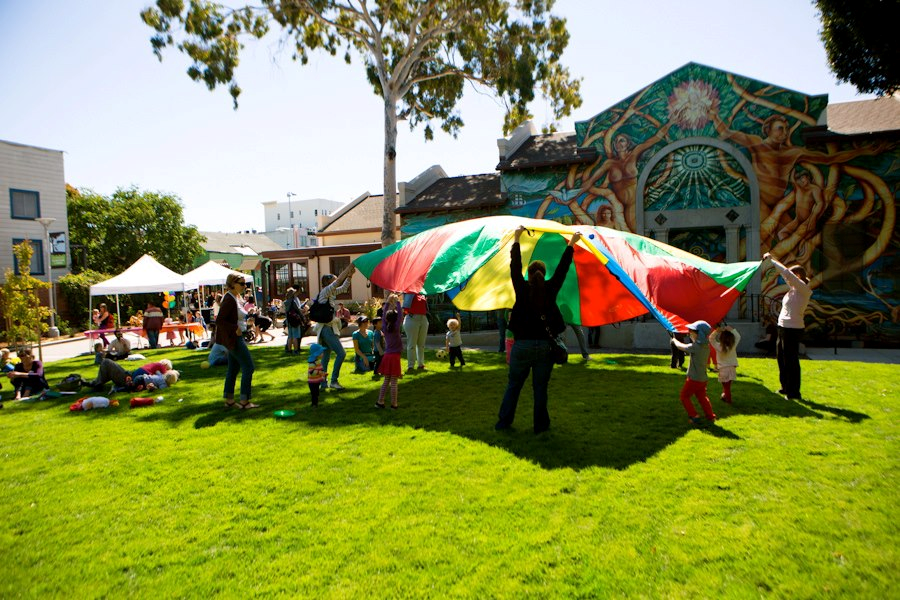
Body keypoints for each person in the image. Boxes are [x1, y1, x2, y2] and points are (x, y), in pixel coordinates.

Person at [496, 227, 581, 434]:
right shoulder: (551, 288)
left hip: (522, 346)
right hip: (545, 347)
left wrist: (516, 237)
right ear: (544, 273)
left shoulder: (521, 287)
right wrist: (571, 243)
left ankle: (503, 423)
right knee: (540, 389)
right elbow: (563, 268)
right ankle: (541, 426)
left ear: (530, 273)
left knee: (514, 386)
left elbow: (514, 266)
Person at [764, 252, 812, 400]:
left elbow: (786, 274)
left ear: (798, 276)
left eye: (793, 276)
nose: (788, 279)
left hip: (793, 329)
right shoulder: (792, 291)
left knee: (791, 360)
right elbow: (787, 276)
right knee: (782, 358)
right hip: (783, 327)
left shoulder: (804, 290)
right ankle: (785, 387)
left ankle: (794, 392)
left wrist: (772, 260)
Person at [215, 273, 257, 409]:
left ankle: (229, 400)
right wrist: (235, 328)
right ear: (232, 283)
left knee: (233, 368)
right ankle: (245, 401)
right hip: (233, 338)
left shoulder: (235, 297)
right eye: (242, 283)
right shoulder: (229, 299)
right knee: (249, 367)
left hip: (234, 337)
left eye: (245, 284)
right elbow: (220, 320)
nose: (245, 286)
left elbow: (236, 316)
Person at [314, 264, 356, 391]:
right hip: (326, 329)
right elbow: (338, 283)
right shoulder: (326, 291)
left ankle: (323, 383)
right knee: (341, 353)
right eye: (334, 279)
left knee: (326, 357)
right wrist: (348, 268)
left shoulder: (331, 293)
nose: (336, 281)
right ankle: (334, 381)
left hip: (327, 328)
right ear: (328, 282)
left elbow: (343, 288)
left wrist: (349, 276)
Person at [671, 320, 717, 426]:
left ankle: (694, 416)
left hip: (694, 379)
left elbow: (681, 347)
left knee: (684, 396)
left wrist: (674, 340)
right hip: (703, 378)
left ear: (699, 334)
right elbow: (692, 344)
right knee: (702, 397)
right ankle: (710, 416)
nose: (689, 333)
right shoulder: (705, 346)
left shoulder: (696, 347)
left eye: (692, 332)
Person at [376, 294, 403, 409]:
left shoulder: (384, 328)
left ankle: (380, 401)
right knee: (394, 382)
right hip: (395, 357)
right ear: (396, 319)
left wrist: (387, 302)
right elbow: (401, 315)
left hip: (387, 356)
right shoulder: (396, 327)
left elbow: (383, 316)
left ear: (386, 320)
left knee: (386, 380)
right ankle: (394, 404)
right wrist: (397, 302)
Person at [710, 323, 741, 404]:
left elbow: (711, 338)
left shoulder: (718, 346)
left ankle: (728, 400)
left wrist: (716, 331)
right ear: (731, 338)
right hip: (732, 368)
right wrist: (732, 329)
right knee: (727, 386)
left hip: (723, 369)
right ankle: (724, 396)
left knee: (726, 387)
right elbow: (738, 337)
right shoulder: (732, 346)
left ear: (721, 338)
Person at [402, 292, 428, 373]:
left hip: (423, 318)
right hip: (412, 318)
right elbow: (405, 307)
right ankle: (410, 366)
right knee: (412, 344)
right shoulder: (408, 291)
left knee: (421, 344)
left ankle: (421, 364)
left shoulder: (422, 292)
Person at [283, 288, 305, 355]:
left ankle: (289, 350)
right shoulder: (293, 301)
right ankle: (296, 350)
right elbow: (298, 310)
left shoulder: (286, 302)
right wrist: (302, 318)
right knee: (295, 336)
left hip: (288, 320)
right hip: (295, 320)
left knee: (290, 336)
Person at [307, 343, 327, 408]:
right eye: (321, 353)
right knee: (314, 393)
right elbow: (311, 372)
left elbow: (320, 370)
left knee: (317, 393)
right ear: (317, 354)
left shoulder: (318, 361)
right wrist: (321, 373)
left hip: (316, 381)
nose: (323, 354)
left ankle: (315, 403)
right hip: (312, 382)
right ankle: (314, 404)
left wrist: (323, 375)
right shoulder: (312, 362)